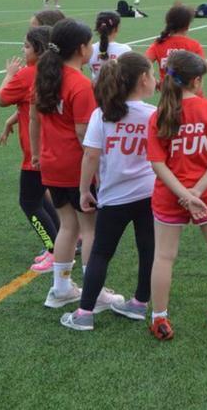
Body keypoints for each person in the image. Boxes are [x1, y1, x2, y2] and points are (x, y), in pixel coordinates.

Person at [146, 50, 207, 340]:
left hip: (170, 195)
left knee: (164, 257)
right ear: (197, 80)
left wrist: (185, 194)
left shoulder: (160, 114)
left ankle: (159, 319)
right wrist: (197, 191)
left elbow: (157, 163)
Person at [59, 52, 158, 331]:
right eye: (152, 74)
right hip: (149, 193)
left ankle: (85, 313)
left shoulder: (101, 114)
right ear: (142, 79)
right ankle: (139, 304)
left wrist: (83, 191)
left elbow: (90, 156)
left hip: (113, 196)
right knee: (147, 250)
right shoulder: (152, 114)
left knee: (101, 253)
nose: (154, 79)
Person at [30, 20, 111, 310]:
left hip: (52, 165)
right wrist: (98, 170)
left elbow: (35, 119)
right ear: (81, 48)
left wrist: (37, 155)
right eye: (89, 44)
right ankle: (94, 291)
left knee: (68, 227)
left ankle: (61, 288)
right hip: (76, 168)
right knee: (89, 230)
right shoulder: (79, 84)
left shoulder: (44, 77)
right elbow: (83, 134)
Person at [0, 27, 60, 272]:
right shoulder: (55, 73)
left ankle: (55, 249)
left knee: (29, 203)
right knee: (41, 201)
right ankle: (60, 246)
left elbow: (1, 99)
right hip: (54, 148)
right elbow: (26, 107)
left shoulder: (27, 76)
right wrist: (11, 122)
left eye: (26, 47)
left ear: (39, 49)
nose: (23, 51)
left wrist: (10, 74)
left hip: (35, 153)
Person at [145, 4, 206, 87]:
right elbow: (205, 67)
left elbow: (143, 64)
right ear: (187, 25)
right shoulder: (194, 45)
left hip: (168, 95)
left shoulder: (159, 44)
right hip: (192, 94)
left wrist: (155, 82)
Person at [88, 11, 131, 83]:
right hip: (118, 92)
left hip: (97, 91)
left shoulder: (90, 49)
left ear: (98, 29)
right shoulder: (125, 50)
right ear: (116, 29)